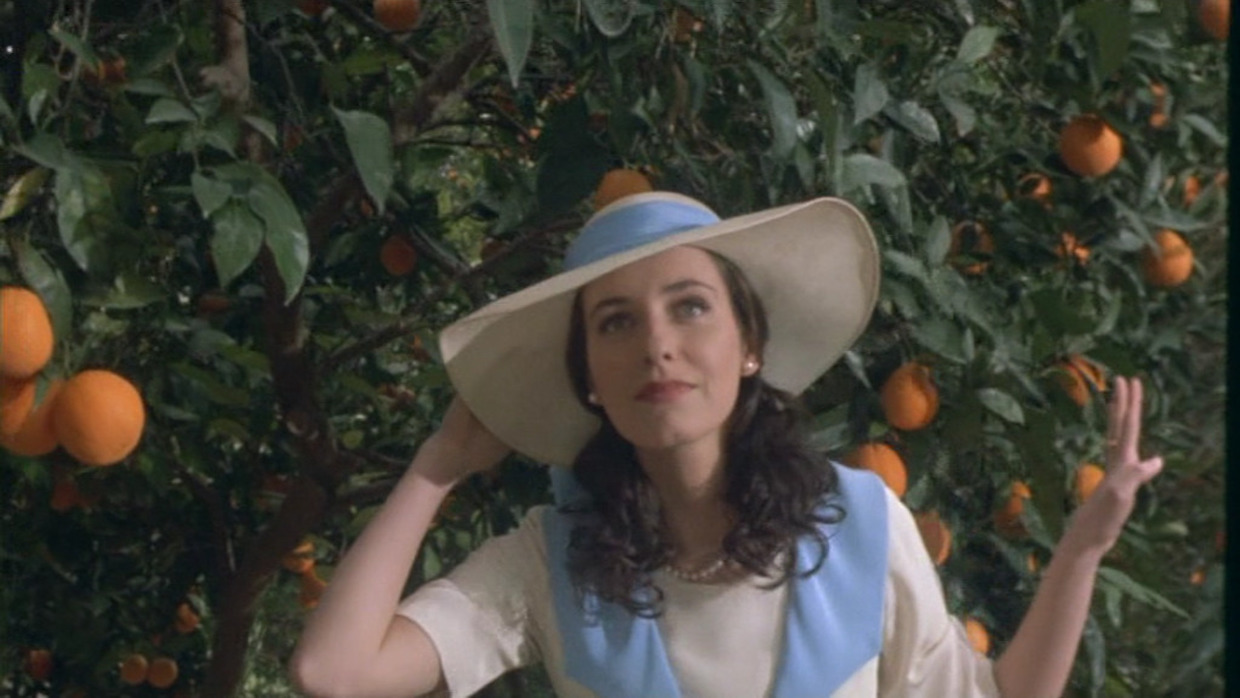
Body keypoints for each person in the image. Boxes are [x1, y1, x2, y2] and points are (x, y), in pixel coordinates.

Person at [290, 192, 1164, 698]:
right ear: (590, 374)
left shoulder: (862, 528)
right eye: (617, 323)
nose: (656, 345)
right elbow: (334, 672)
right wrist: (437, 465)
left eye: (690, 306)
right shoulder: (549, 566)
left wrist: (1082, 550)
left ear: (751, 347)